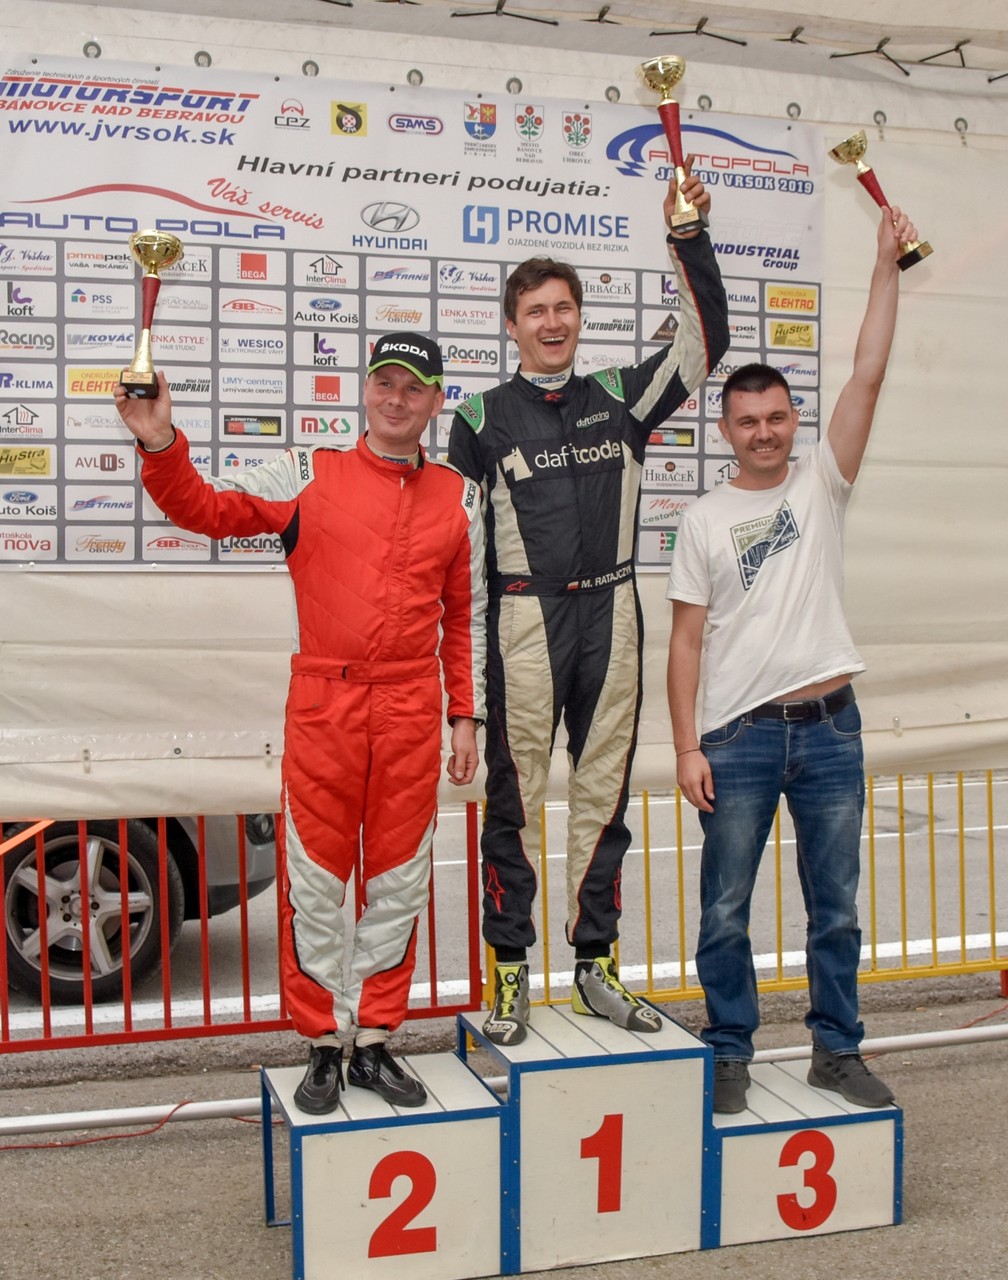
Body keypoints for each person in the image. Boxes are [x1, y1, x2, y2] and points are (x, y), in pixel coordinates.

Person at [114, 333, 486, 1114]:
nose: (396, 399)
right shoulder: (307, 472)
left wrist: (465, 714)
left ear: (435, 400)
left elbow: (465, 616)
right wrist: (159, 442)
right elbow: (205, 508)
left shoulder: (460, 497)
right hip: (326, 704)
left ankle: (374, 1041)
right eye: (384, 382)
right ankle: (322, 1043)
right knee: (315, 883)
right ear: (366, 389)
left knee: (397, 883)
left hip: (412, 709)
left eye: (413, 387)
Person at [448, 165, 729, 1045]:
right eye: (535, 311)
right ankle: (509, 978)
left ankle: (596, 970)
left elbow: (705, 343)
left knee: (605, 798)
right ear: (511, 325)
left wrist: (688, 238)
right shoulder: (478, 418)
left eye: (564, 307)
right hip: (523, 623)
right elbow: (459, 559)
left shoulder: (620, 397)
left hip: (612, 613)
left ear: (579, 316)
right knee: (514, 805)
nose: (552, 322)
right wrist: (462, 689)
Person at [666, 206, 918, 1113]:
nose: (764, 432)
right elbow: (685, 641)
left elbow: (869, 370)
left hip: (831, 733)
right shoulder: (702, 519)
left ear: (794, 419)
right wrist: (687, 747)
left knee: (836, 908)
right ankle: (728, 1051)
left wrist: (885, 265)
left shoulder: (823, 482)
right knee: (724, 909)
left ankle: (836, 1051)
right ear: (725, 428)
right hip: (736, 739)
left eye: (776, 418)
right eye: (748, 421)